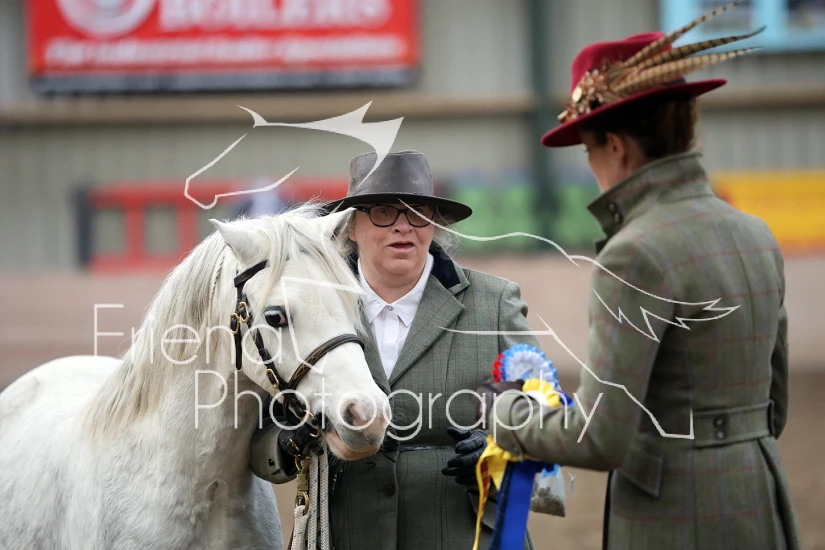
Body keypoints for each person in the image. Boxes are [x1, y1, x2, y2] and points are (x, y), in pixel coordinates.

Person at [476, 8, 802, 550]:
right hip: (759, 497)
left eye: (589, 150)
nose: (592, 166)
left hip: (673, 516)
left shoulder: (634, 253)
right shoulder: (756, 234)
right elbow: (776, 406)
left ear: (617, 146)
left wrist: (506, 414)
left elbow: (600, 436)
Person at [249, 149, 539, 550]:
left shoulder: (496, 304)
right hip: (347, 536)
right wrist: (286, 442)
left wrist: (501, 454)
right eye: (384, 211)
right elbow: (259, 435)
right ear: (351, 227)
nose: (403, 226)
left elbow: (544, 414)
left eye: (417, 212)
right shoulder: (303, 309)